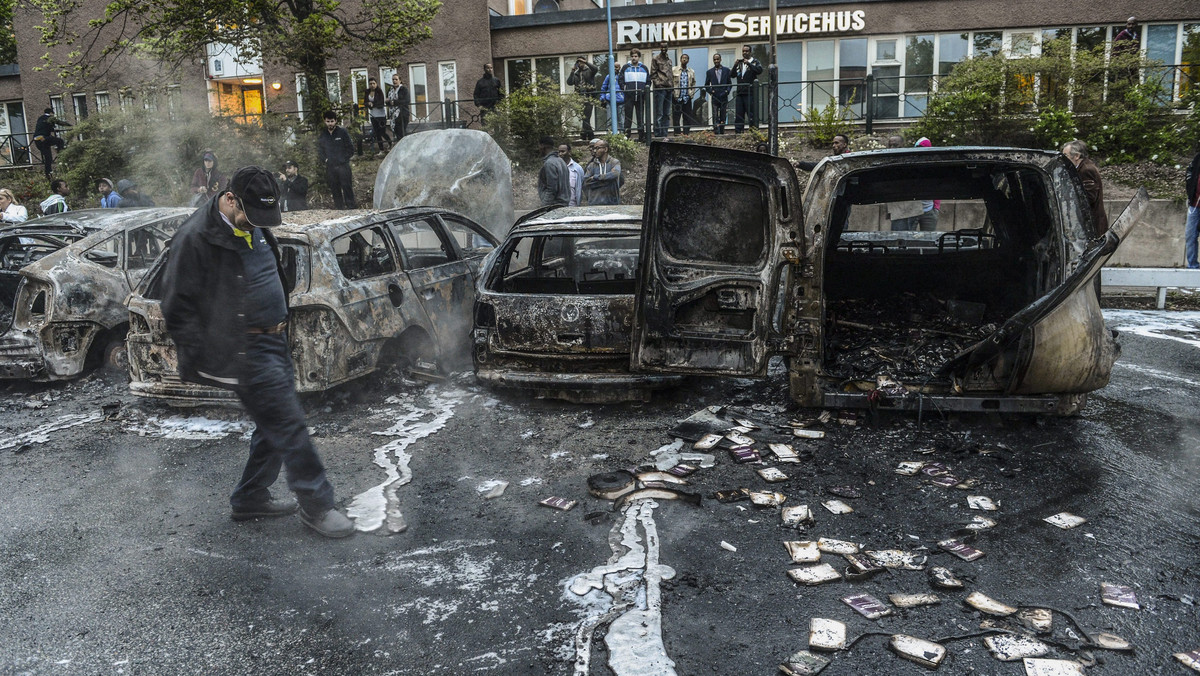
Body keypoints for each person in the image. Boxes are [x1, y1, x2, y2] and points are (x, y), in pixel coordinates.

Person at [162, 166, 354, 538]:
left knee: (273, 425)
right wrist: (211, 357)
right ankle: (317, 506)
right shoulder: (195, 238)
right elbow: (177, 308)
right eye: (251, 216)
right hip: (242, 347)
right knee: (288, 422)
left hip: (274, 338)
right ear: (229, 197)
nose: (257, 224)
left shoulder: (255, 221)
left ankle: (249, 497)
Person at [1061, 139, 1108, 235]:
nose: (1063, 160)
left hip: (1093, 225)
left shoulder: (1086, 170)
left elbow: (1089, 198)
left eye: (1066, 156)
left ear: (1077, 156)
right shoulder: (1083, 167)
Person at [318, 110, 357, 209]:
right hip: (330, 167)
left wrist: (343, 159)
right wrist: (326, 160)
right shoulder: (323, 134)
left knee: (347, 187)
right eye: (328, 121)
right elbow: (320, 151)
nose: (330, 123)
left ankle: (351, 208)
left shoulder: (342, 132)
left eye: (332, 121)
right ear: (324, 121)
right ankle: (339, 209)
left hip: (343, 166)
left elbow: (351, 149)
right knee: (335, 189)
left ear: (335, 121)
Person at [732, 46, 763, 133]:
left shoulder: (755, 62)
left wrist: (749, 64)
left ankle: (753, 132)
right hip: (740, 93)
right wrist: (735, 65)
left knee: (751, 114)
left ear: (750, 52)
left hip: (750, 93)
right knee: (739, 114)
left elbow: (759, 70)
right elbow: (732, 75)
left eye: (746, 51)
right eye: (743, 51)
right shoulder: (740, 63)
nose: (744, 53)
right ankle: (738, 132)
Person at [620, 49, 649, 142]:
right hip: (629, 96)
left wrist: (645, 90)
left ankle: (642, 136)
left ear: (639, 57)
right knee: (628, 117)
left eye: (635, 56)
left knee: (640, 117)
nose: (634, 58)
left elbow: (648, 81)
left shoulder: (644, 68)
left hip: (640, 96)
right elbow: (620, 79)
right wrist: (624, 88)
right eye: (632, 56)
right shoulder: (625, 67)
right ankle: (626, 136)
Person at [567, 57, 599, 141]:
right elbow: (569, 82)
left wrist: (586, 62)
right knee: (584, 117)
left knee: (586, 117)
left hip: (589, 96)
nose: (580, 64)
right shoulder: (577, 73)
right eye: (579, 63)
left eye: (581, 62)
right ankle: (588, 135)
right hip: (580, 97)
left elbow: (596, 69)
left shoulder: (589, 71)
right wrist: (572, 71)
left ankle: (585, 136)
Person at [583, 138, 622, 206]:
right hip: (594, 203)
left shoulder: (614, 162)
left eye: (597, 148)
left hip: (611, 203)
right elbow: (586, 182)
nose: (594, 151)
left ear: (605, 149)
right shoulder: (592, 165)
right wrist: (607, 180)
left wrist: (596, 177)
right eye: (594, 148)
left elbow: (615, 174)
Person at [32, 108, 67, 177]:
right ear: (51, 113)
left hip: (37, 139)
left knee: (48, 158)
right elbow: (61, 123)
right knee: (60, 141)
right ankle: (61, 155)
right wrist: (72, 126)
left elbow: (44, 127)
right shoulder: (50, 118)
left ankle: (48, 174)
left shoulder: (40, 118)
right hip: (44, 138)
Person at [537, 136, 570, 207]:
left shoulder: (549, 163)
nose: (539, 149)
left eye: (539, 146)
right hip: (563, 205)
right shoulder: (561, 161)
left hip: (554, 206)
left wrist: (544, 206)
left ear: (543, 146)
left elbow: (552, 189)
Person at [704, 54, 733, 135]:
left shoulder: (726, 70)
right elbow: (706, 85)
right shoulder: (709, 72)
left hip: (724, 96)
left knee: (723, 114)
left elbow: (729, 83)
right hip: (715, 97)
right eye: (714, 59)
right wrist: (711, 91)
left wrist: (727, 91)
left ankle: (722, 131)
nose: (716, 61)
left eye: (717, 59)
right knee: (715, 114)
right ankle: (716, 131)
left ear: (720, 59)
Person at [650, 42, 673, 139]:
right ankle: (658, 133)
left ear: (667, 48)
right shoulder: (655, 59)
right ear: (660, 48)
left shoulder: (669, 60)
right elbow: (653, 74)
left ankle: (665, 132)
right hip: (660, 88)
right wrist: (658, 84)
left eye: (665, 47)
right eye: (662, 47)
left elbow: (670, 73)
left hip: (669, 88)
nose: (664, 49)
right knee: (659, 112)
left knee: (667, 113)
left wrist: (672, 85)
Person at [364, 78, 392, 155]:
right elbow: (365, 102)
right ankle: (381, 149)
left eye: (373, 83)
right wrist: (368, 104)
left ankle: (390, 143)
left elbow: (381, 103)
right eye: (370, 84)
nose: (372, 85)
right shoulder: (367, 92)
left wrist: (373, 104)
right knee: (377, 133)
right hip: (373, 115)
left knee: (382, 132)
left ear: (376, 84)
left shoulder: (379, 91)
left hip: (381, 115)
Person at [672, 54, 697, 136]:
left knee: (687, 117)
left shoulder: (691, 71)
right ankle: (677, 134)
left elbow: (693, 83)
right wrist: (673, 93)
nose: (684, 60)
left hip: (687, 97)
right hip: (677, 97)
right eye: (683, 58)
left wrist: (692, 93)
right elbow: (671, 82)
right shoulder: (674, 70)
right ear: (680, 59)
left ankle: (686, 133)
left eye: (686, 58)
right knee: (676, 117)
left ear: (688, 60)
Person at [1183, 149, 1199, 268]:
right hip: (1194, 205)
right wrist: (1190, 187)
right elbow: (1190, 170)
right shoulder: (1198, 158)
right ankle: (1193, 267)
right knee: (1190, 235)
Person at [387, 73, 410, 141]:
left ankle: (404, 147)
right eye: (393, 79)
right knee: (396, 132)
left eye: (396, 79)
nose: (394, 81)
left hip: (402, 113)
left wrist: (394, 102)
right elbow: (388, 100)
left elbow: (407, 100)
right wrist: (388, 102)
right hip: (393, 114)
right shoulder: (390, 90)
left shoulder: (403, 89)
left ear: (400, 81)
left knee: (401, 132)